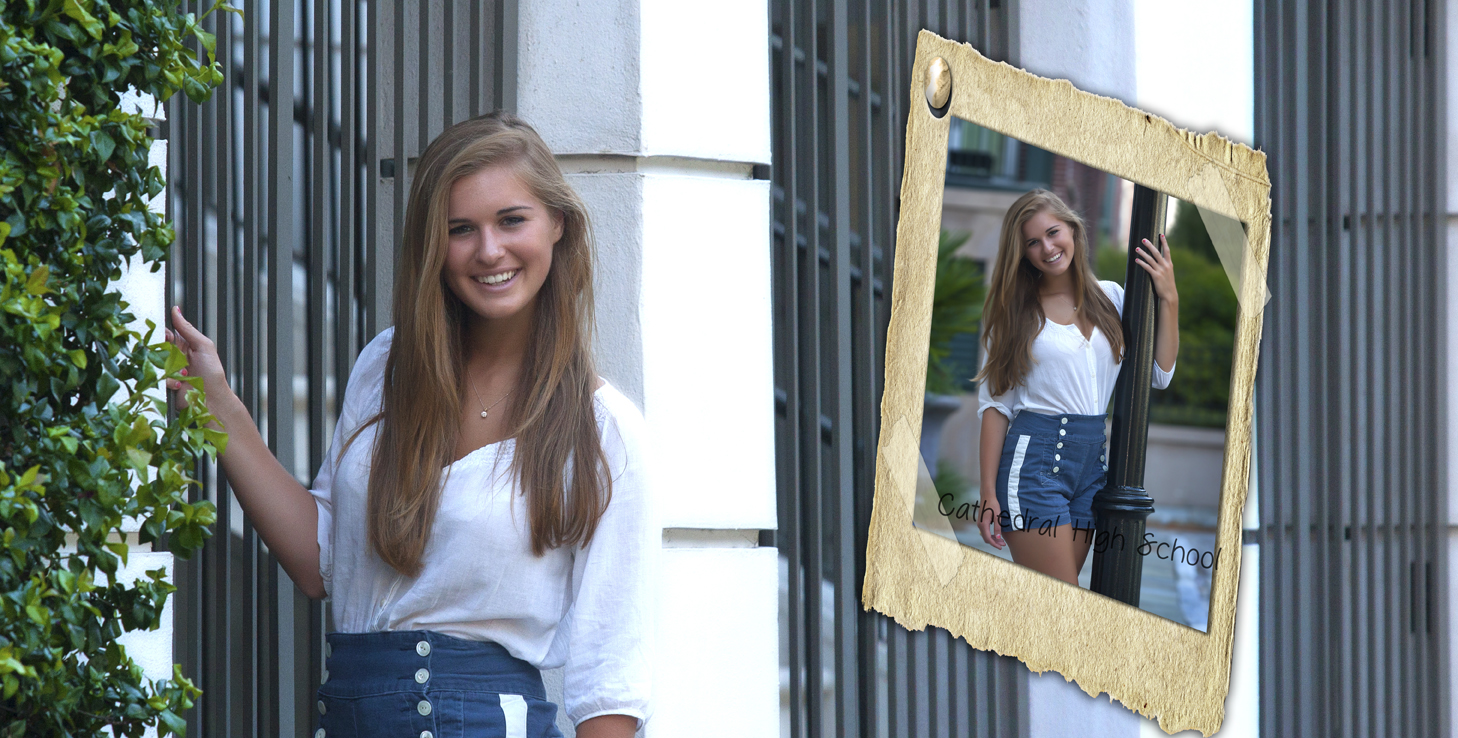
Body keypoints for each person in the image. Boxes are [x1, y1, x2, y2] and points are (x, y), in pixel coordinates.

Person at [165, 112, 654, 738]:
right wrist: (221, 410)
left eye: (512, 220)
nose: (489, 251)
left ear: (558, 223)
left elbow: (611, 677)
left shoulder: (604, 430)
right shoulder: (386, 367)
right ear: (433, 245)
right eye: (460, 229)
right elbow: (323, 561)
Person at [972, 189, 1178, 587]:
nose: (1046, 247)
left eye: (1052, 232)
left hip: (1089, 469)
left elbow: (1160, 374)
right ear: (1023, 253)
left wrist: (1168, 297)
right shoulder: (1017, 315)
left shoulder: (1114, 298)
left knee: (1058, 605)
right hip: (1034, 467)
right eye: (1032, 242)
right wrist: (986, 493)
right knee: (1061, 601)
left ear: (1073, 229)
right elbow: (995, 406)